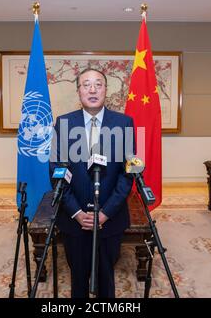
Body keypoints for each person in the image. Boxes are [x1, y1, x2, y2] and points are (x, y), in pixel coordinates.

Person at [50, 68, 134, 298]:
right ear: (79, 92)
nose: (93, 89)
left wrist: (105, 213)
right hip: (73, 219)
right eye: (86, 84)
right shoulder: (63, 123)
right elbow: (57, 172)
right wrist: (77, 212)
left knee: (106, 277)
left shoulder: (124, 123)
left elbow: (128, 174)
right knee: (78, 278)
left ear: (106, 90)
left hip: (110, 219)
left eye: (98, 84)